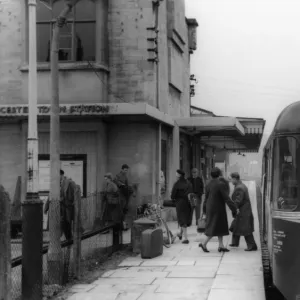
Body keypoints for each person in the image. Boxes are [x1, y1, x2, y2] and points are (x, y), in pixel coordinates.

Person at [199, 167, 238, 253]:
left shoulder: (208, 184)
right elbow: (226, 198)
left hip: (210, 207)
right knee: (214, 226)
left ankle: (221, 245)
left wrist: (204, 210)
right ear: (219, 174)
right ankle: (204, 243)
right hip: (218, 208)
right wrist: (234, 208)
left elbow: (206, 198)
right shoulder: (220, 184)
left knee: (220, 226)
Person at [44, 169, 77, 240]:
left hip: (65, 209)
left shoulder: (69, 183)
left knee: (66, 227)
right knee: (57, 227)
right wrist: (46, 208)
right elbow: (50, 196)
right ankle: (58, 242)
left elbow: (75, 195)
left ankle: (68, 242)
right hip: (56, 209)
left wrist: (70, 202)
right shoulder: (55, 184)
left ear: (61, 175)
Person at [229, 172, 258, 251]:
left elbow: (238, 200)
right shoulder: (239, 186)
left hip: (243, 210)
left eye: (231, 179)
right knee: (236, 225)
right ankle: (235, 242)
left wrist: (235, 208)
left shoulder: (240, 188)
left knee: (245, 228)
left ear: (235, 179)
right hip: (244, 210)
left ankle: (252, 245)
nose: (230, 181)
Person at [171, 169, 193, 244]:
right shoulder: (188, 183)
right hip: (187, 202)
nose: (175, 175)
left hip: (180, 203)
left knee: (182, 219)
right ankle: (180, 234)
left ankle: (186, 238)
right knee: (185, 218)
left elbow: (172, 195)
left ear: (179, 175)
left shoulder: (177, 184)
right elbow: (191, 192)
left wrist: (174, 198)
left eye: (176, 174)